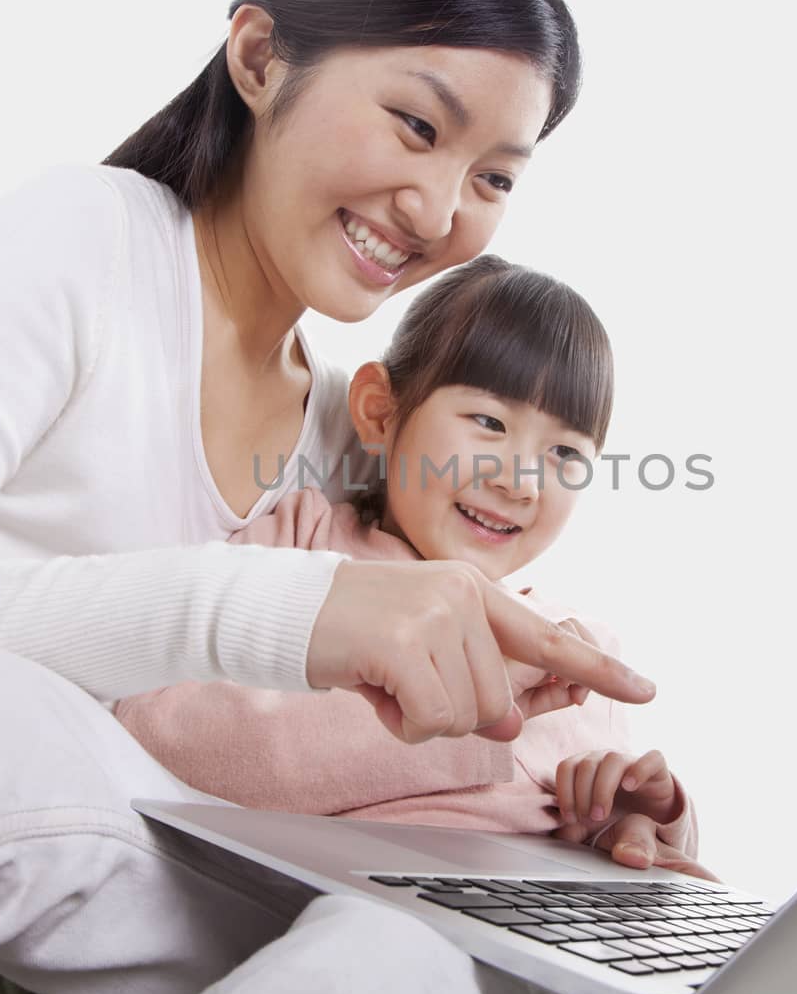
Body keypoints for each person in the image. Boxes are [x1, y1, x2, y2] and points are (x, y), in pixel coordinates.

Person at [0, 0, 660, 994]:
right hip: (4, 877)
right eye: (415, 125)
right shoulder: (81, 247)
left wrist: (601, 816)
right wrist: (272, 611)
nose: (435, 209)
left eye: (492, 177)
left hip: (236, 913)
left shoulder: (353, 437)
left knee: (402, 956)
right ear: (258, 57)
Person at [114, 256, 711, 879]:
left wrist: (645, 817)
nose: (520, 481)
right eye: (488, 422)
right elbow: (158, 736)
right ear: (378, 413)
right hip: (361, 912)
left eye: (563, 452)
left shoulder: (573, 649)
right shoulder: (301, 549)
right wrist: (457, 718)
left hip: (533, 932)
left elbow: (628, 839)